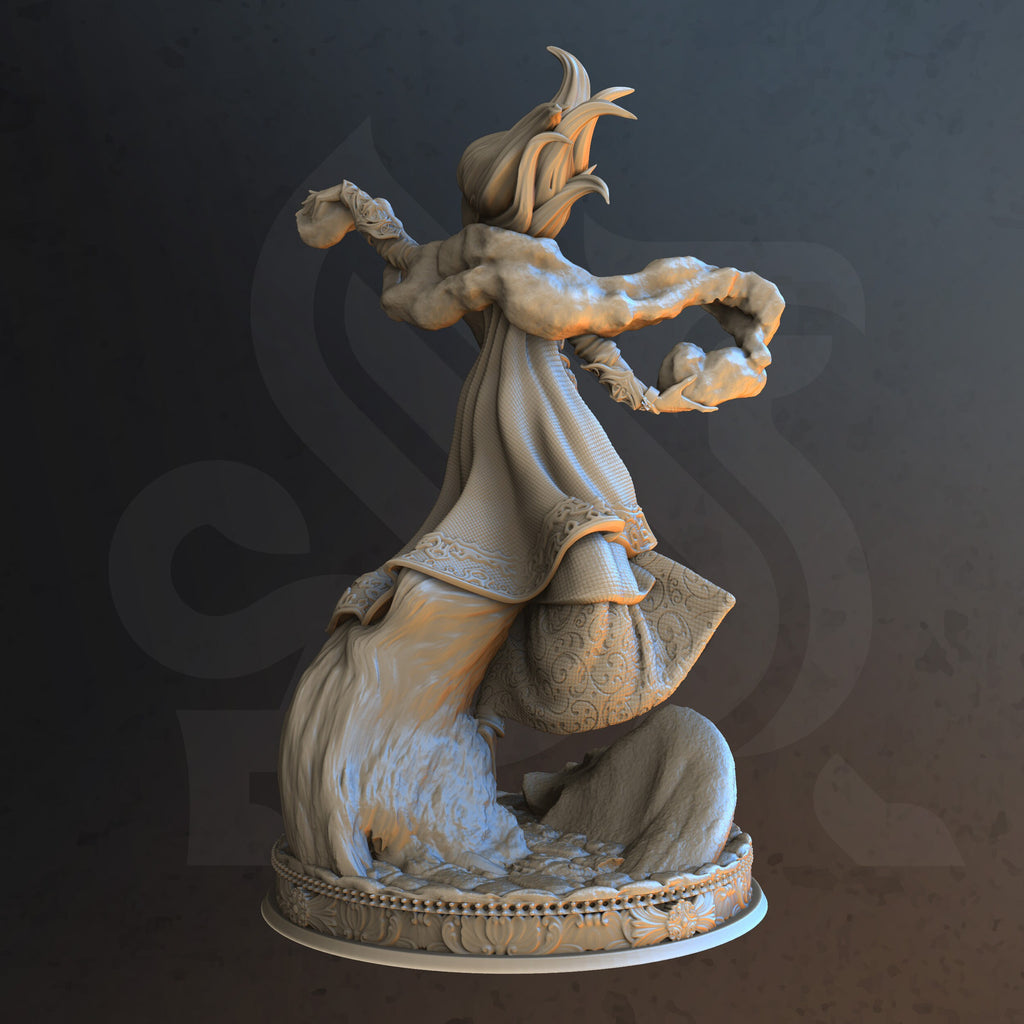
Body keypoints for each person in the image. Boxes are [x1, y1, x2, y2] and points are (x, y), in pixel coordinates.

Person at [279, 47, 783, 880]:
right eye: (567, 180)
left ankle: (501, 693)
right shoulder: (521, 265)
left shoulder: (479, 255)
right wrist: (716, 286)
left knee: (525, 547)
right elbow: (615, 303)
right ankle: (522, 687)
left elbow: (413, 273)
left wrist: (370, 221)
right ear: (540, 189)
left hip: (507, 416)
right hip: (533, 425)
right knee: (555, 539)